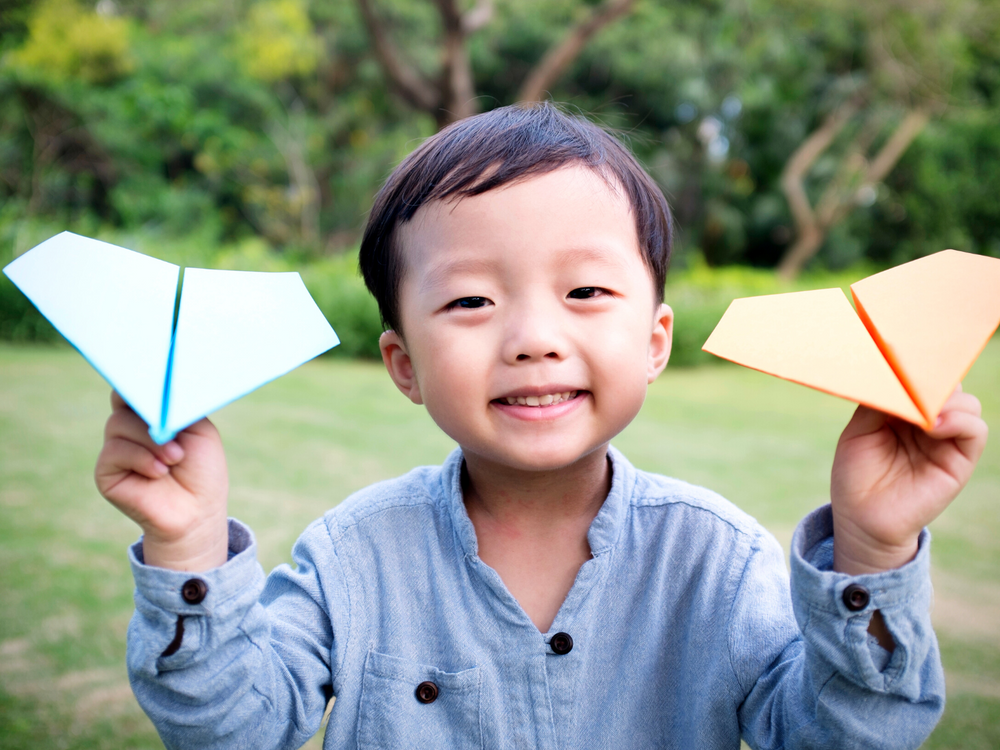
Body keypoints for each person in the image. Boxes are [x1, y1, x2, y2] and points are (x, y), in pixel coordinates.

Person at [96, 102, 988, 749]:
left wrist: (872, 548)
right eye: (473, 299)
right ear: (404, 363)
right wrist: (187, 545)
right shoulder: (352, 558)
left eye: (586, 291)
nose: (533, 338)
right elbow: (231, 727)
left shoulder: (715, 562)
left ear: (653, 340)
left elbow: (843, 737)